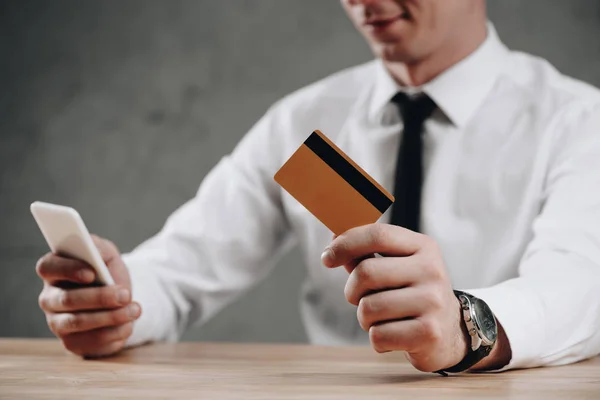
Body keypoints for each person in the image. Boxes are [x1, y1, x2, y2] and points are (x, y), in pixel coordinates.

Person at [35, 0, 600, 373]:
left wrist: (465, 327)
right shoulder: (302, 120)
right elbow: (180, 269)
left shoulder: (577, 121)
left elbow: (580, 285)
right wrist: (116, 304)